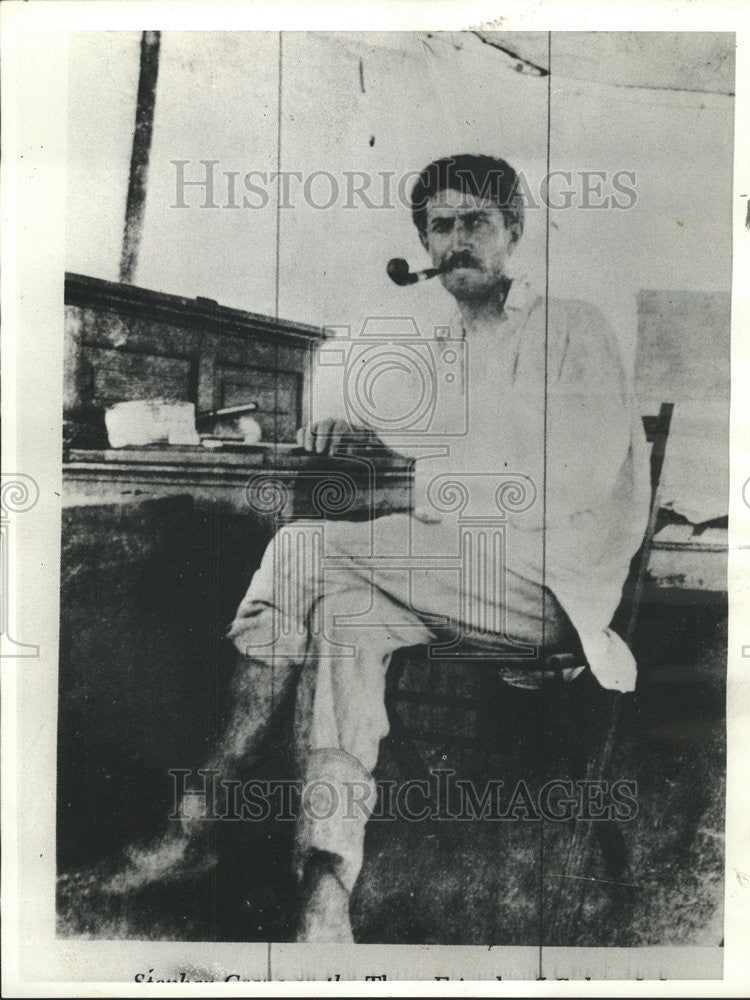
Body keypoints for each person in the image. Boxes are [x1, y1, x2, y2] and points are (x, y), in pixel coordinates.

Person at [105, 154, 649, 943]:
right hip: (456, 576)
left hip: (553, 592)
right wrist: (365, 437)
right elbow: (433, 455)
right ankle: (326, 886)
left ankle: (196, 817)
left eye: (476, 223)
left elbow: (569, 479)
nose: (457, 241)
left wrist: (410, 489)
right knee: (344, 618)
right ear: (423, 243)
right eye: (441, 226)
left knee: (299, 549)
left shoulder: (572, 325)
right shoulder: (445, 349)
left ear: (515, 231)